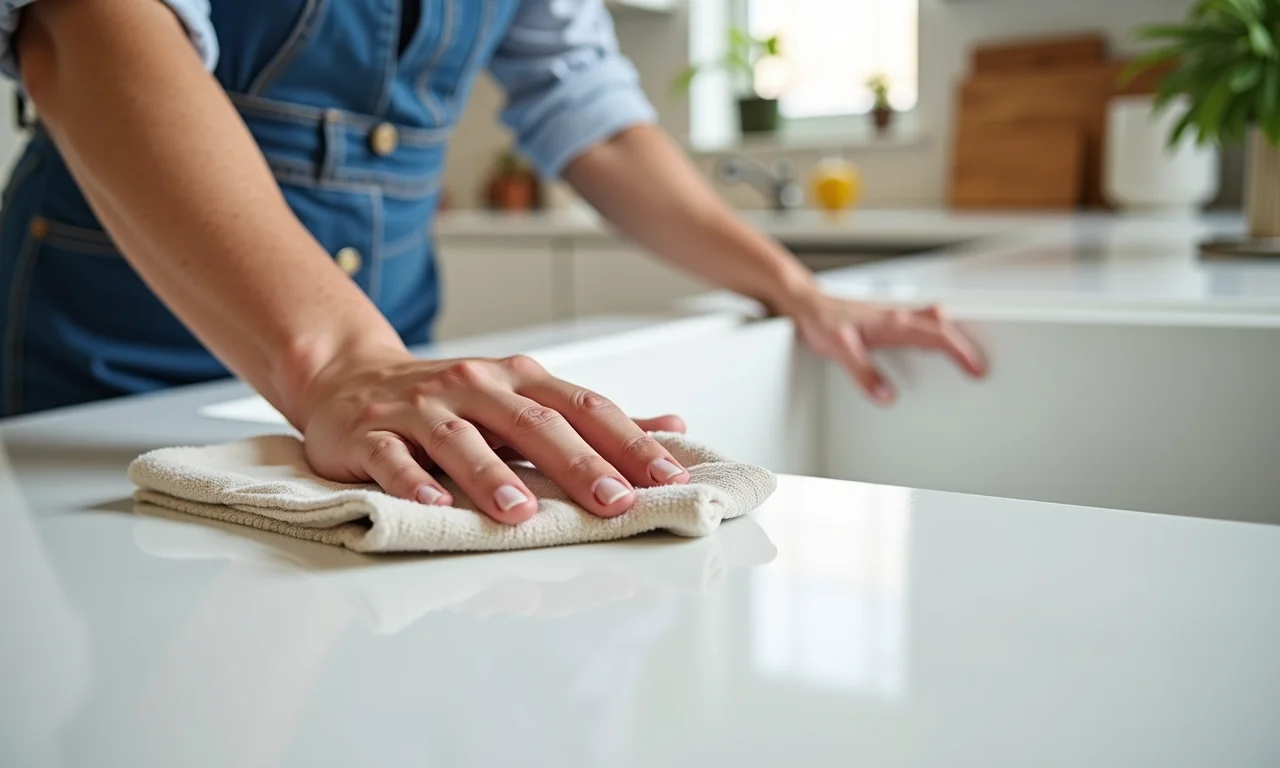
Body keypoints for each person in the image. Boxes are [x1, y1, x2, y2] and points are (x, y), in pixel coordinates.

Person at [0, 0, 984, 524]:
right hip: (116, 352)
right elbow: (84, 27)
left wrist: (795, 291)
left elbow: (588, 112)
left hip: (383, 371)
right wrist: (341, 361)